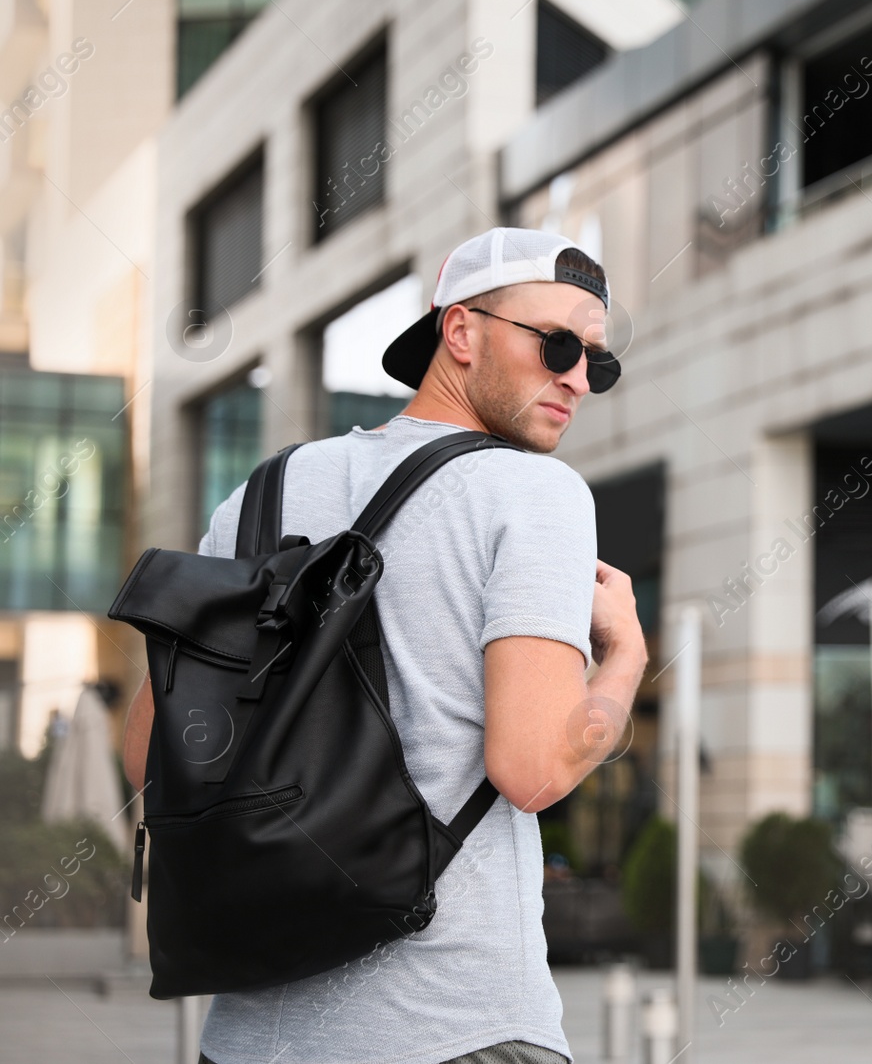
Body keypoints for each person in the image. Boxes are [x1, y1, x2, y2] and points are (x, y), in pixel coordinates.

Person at [121, 228, 649, 1064]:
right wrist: (623, 663)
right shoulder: (535, 492)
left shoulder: (261, 496)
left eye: (598, 360)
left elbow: (147, 750)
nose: (579, 378)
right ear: (462, 332)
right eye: (556, 344)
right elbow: (535, 769)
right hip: (455, 1026)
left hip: (250, 1039)